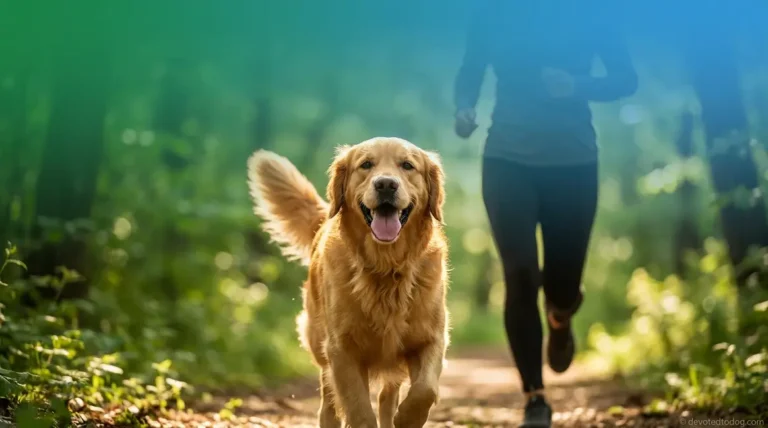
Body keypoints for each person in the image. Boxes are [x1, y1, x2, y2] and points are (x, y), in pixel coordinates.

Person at [453, 1, 638, 427]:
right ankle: (535, 397)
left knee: (562, 283)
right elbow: (470, 69)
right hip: (506, 162)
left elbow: (626, 78)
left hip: (573, 165)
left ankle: (561, 315)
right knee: (520, 275)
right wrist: (464, 108)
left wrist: (576, 84)